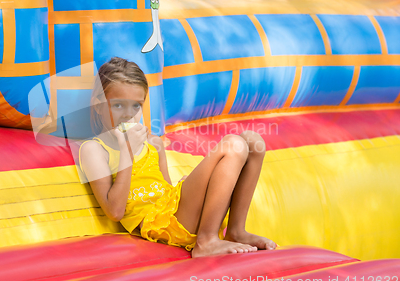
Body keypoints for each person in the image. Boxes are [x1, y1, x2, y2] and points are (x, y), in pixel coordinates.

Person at [79, 57, 276, 258]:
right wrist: (127, 152)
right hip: (158, 221)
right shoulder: (95, 149)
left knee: (253, 141)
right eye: (118, 105)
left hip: (174, 210)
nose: (128, 115)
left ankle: (236, 231)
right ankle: (206, 241)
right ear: (98, 105)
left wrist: (186, 188)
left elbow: (165, 190)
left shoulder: (153, 143)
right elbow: (115, 212)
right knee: (233, 144)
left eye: (136, 106)